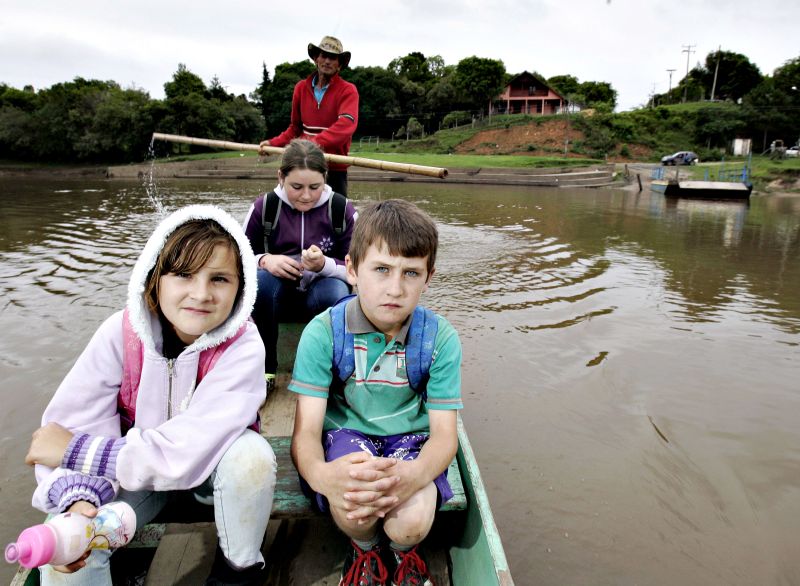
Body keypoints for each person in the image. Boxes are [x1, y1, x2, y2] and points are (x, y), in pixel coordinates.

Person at [24, 205, 276, 586]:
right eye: (183, 275)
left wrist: (74, 448)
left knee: (251, 456)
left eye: (220, 279)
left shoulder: (243, 346)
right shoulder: (120, 335)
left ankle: (238, 569)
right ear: (154, 278)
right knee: (68, 547)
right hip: (133, 479)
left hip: (210, 475)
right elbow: (77, 421)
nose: (201, 293)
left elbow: (189, 448)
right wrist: (79, 500)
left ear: (242, 287)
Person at [289, 199, 463, 586]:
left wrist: (416, 474)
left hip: (411, 438)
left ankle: (402, 556)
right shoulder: (323, 333)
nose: (395, 289)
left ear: (428, 277)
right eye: (381, 269)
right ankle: (365, 551)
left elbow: (445, 435)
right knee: (355, 512)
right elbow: (305, 433)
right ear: (352, 270)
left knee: (411, 524)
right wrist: (321, 475)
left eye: (411, 273)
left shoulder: (439, 339)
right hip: (346, 434)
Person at [243, 139, 356, 391]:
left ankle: (329, 372)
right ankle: (266, 370)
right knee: (260, 283)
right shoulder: (264, 208)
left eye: (315, 187)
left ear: (325, 178)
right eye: (296, 187)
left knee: (337, 294)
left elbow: (358, 269)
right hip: (276, 300)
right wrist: (265, 260)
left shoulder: (341, 209)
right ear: (280, 177)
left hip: (320, 297)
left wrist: (324, 265)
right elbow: (236, 258)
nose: (306, 196)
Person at [260, 35, 359, 196]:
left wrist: (311, 145)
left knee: (337, 217)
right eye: (323, 55)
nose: (327, 61)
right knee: (296, 212)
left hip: (333, 167)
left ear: (339, 64)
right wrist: (273, 143)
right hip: (303, 165)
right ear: (316, 59)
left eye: (332, 57)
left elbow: (346, 126)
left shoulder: (348, 90)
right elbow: (295, 128)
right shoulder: (300, 88)